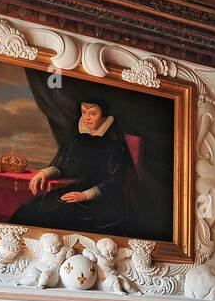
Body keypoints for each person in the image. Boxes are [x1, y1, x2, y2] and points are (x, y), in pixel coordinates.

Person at [11, 98, 142, 234]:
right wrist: (45, 173)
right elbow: (65, 166)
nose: (87, 118)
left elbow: (116, 182)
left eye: (93, 113)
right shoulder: (79, 139)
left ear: (104, 117)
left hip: (104, 200)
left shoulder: (115, 145)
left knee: (59, 215)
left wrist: (85, 195)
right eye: (84, 112)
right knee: (32, 209)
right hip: (77, 191)